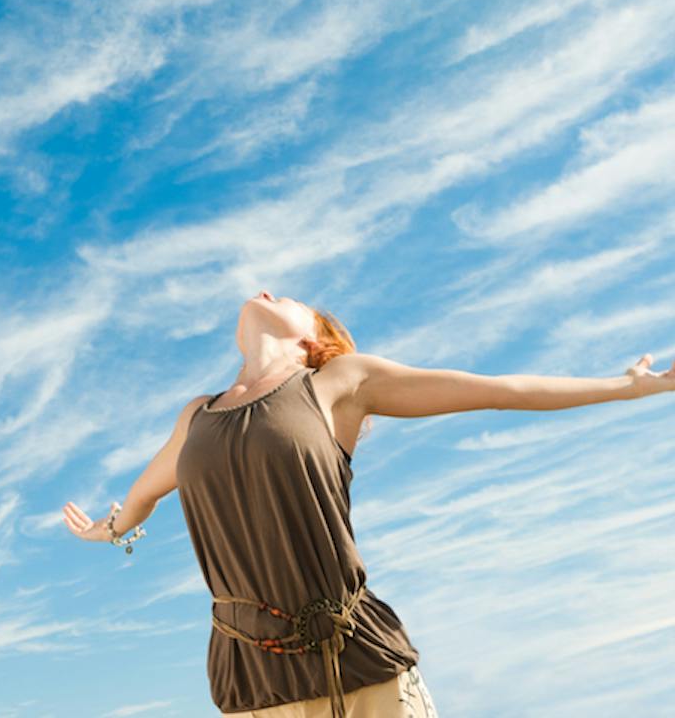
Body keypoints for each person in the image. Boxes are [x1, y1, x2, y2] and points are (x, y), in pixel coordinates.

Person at [63, 291, 674, 717]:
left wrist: (625, 388)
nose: (267, 289)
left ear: (313, 338)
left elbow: (499, 391)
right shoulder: (196, 417)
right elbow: (141, 497)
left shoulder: (338, 383)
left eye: (290, 297)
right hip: (250, 673)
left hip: (360, 657)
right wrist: (105, 529)